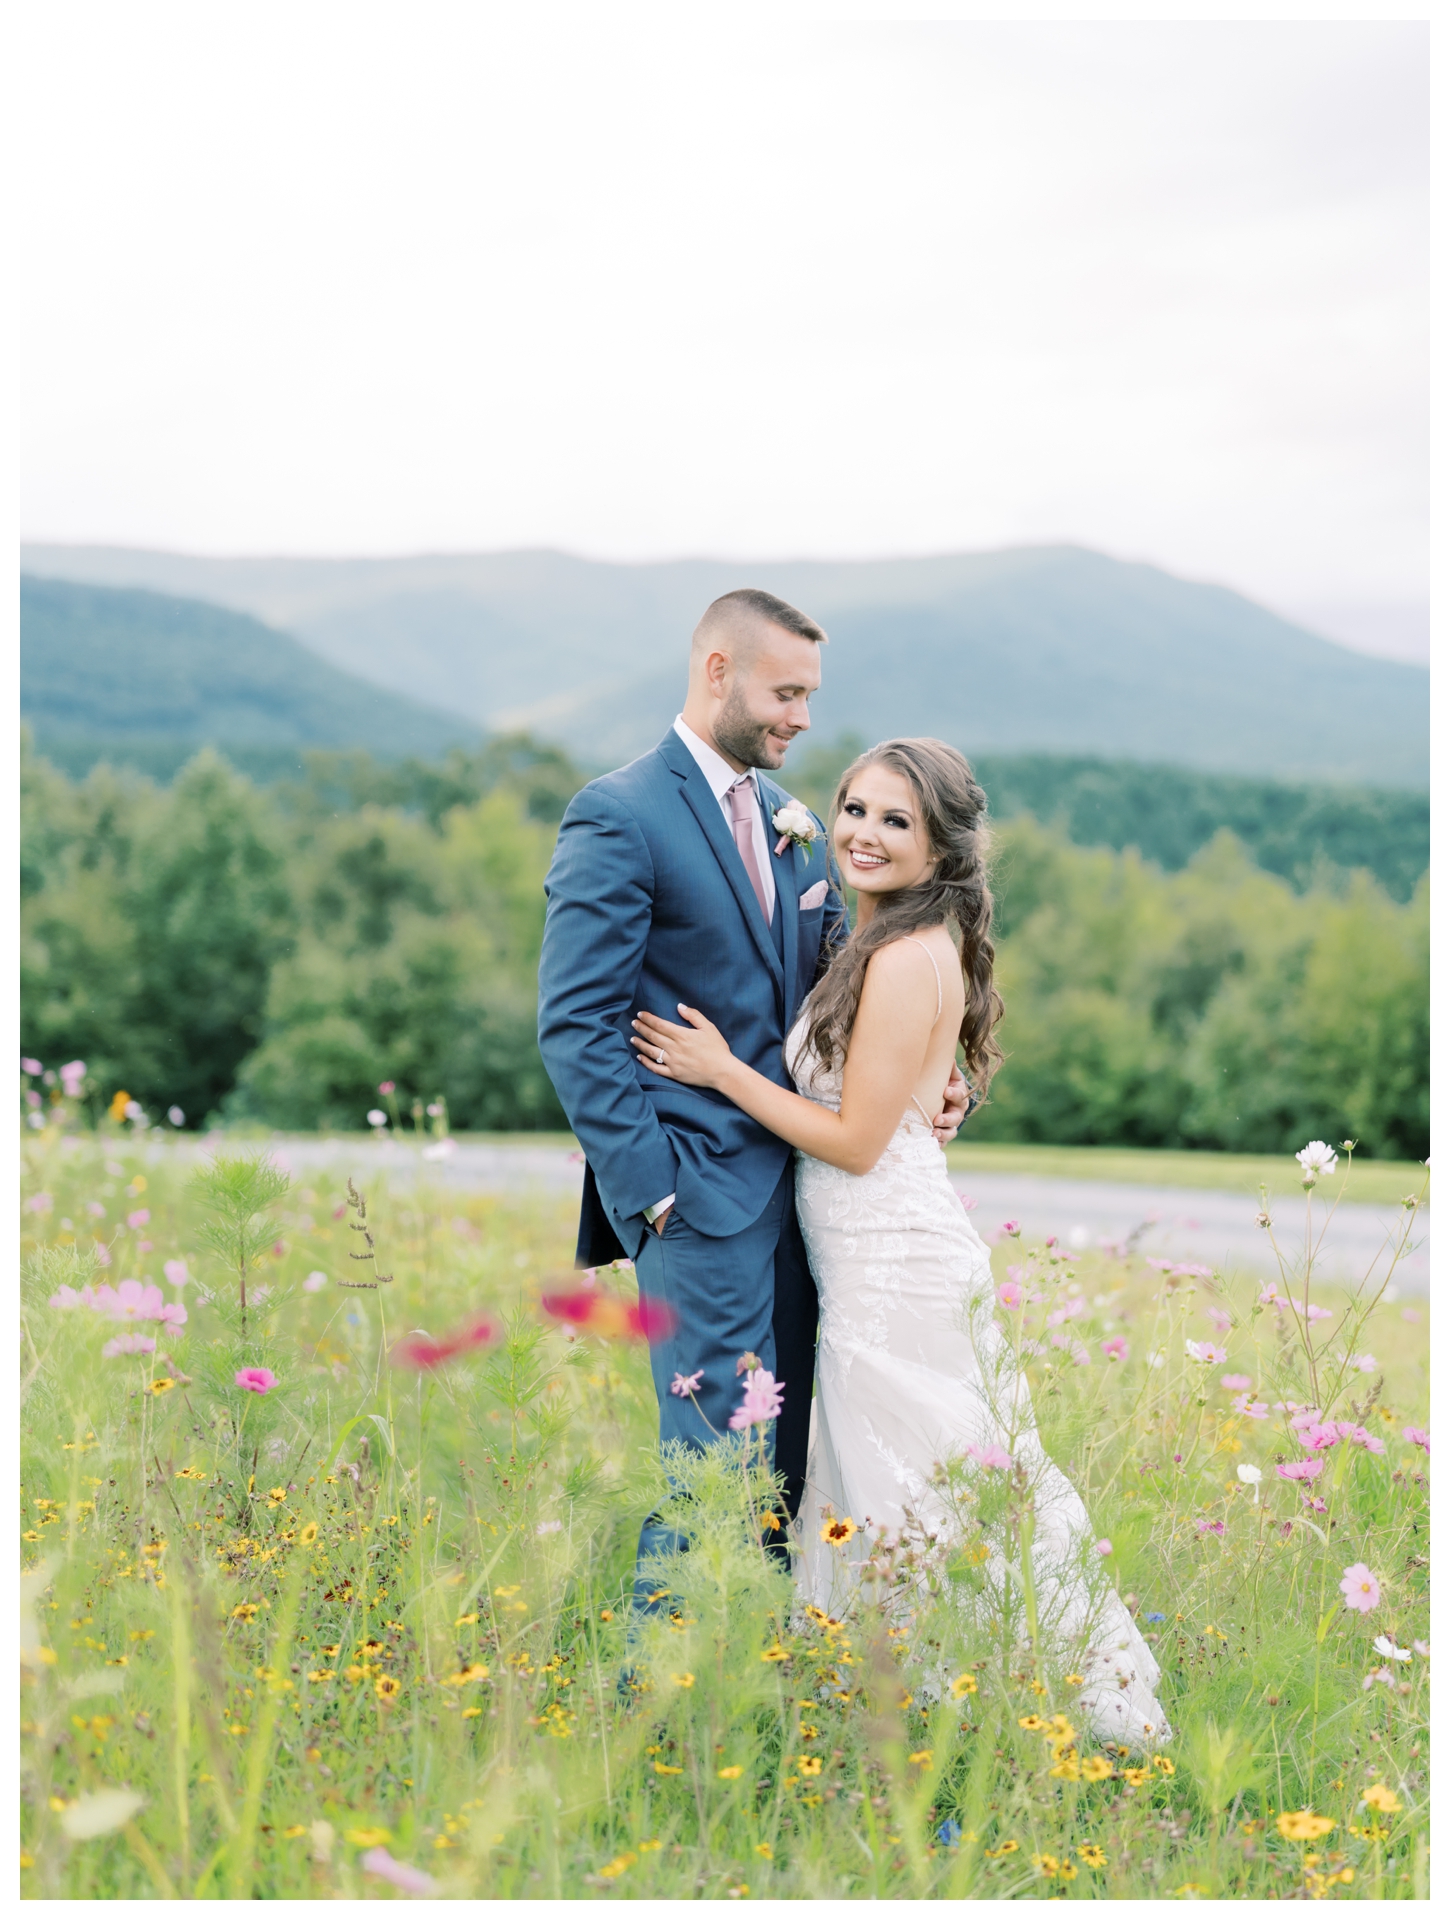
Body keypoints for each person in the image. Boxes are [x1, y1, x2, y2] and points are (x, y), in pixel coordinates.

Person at [630, 735, 1172, 1749]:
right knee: (895, 1479)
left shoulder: (905, 954)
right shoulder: (883, 941)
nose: (863, 835)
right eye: (853, 809)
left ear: (940, 849)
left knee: (915, 1483)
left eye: (896, 821)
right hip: (873, 1254)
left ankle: (966, 1703)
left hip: (894, 1266)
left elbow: (854, 1137)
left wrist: (720, 1070)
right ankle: (904, 1699)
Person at [537, 591, 970, 1615]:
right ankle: (664, 1713)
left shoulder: (796, 830)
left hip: (813, 1205)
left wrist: (937, 1079)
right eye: (786, 693)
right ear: (718, 671)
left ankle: (759, 1695)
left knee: (789, 1471)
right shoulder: (621, 813)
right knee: (713, 1471)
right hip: (694, 1203)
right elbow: (574, 1025)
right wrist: (651, 1197)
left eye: (810, 696)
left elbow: (844, 991)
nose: (802, 718)